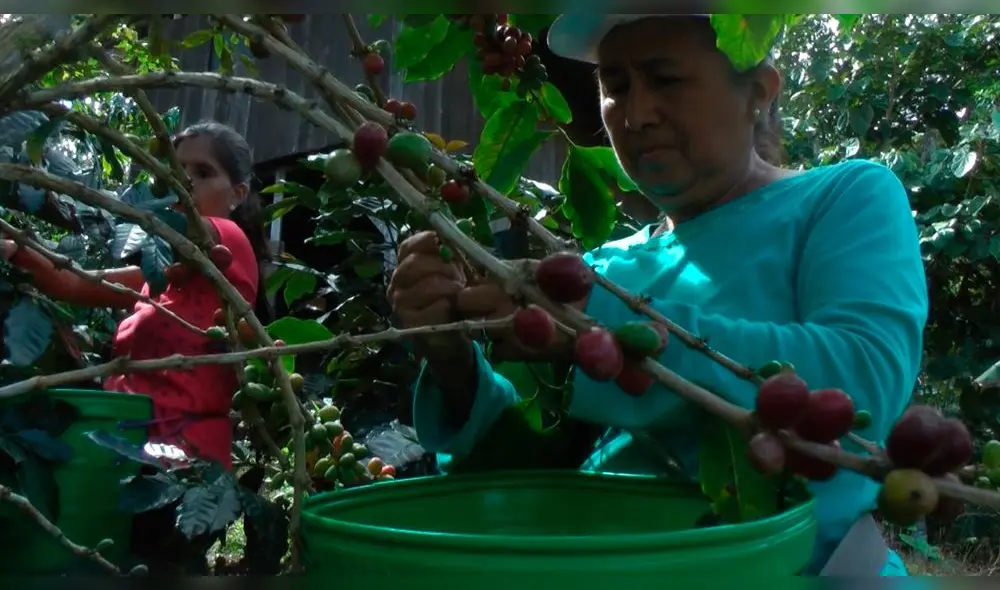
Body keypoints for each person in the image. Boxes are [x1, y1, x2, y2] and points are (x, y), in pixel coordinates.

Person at [387, 15, 927, 577]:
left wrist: (593, 326)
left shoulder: (843, 197)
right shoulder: (602, 269)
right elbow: (528, 485)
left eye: (666, 79)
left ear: (759, 93)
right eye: (616, 87)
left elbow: (860, 382)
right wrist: (457, 371)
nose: (637, 114)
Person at [1, 120, 271, 471]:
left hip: (183, 460)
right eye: (173, 171)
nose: (183, 183)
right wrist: (13, 247)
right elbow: (75, 283)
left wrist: (133, 199)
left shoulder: (228, 239)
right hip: (129, 446)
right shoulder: (160, 277)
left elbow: (183, 227)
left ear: (238, 194)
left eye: (202, 173)